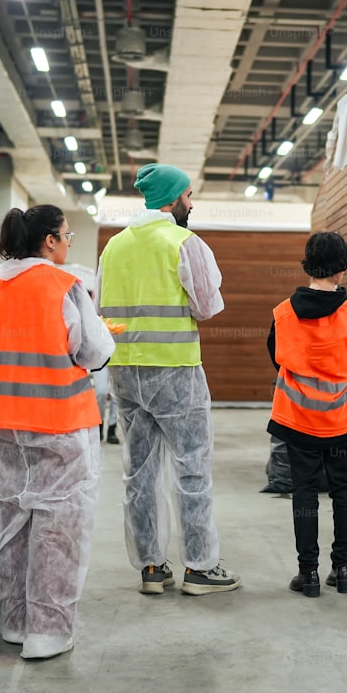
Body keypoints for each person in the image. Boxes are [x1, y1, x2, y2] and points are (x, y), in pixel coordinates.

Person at [95, 163, 241, 596]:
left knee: (138, 471)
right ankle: (199, 567)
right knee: (191, 467)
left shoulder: (114, 248)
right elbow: (207, 306)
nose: (191, 204)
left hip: (125, 372)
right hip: (175, 369)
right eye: (189, 196)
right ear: (174, 199)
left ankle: (152, 568)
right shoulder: (184, 242)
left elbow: (101, 307)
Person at [0, 205, 115, 659]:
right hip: (61, 423)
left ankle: (16, 623)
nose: (67, 243)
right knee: (58, 528)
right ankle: (48, 632)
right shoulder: (64, 286)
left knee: (15, 521)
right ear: (50, 242)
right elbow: (94, 350)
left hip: (10, 427)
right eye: (66, 236)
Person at [268, 232, 347, 598]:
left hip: (298, 419)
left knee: (305, 493)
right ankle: (341, 570)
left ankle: (307, 574)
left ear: (307, 264)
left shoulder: (283, 313)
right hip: (344, 418)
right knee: (344, 490)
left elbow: (275, 357)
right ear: (342, 270)